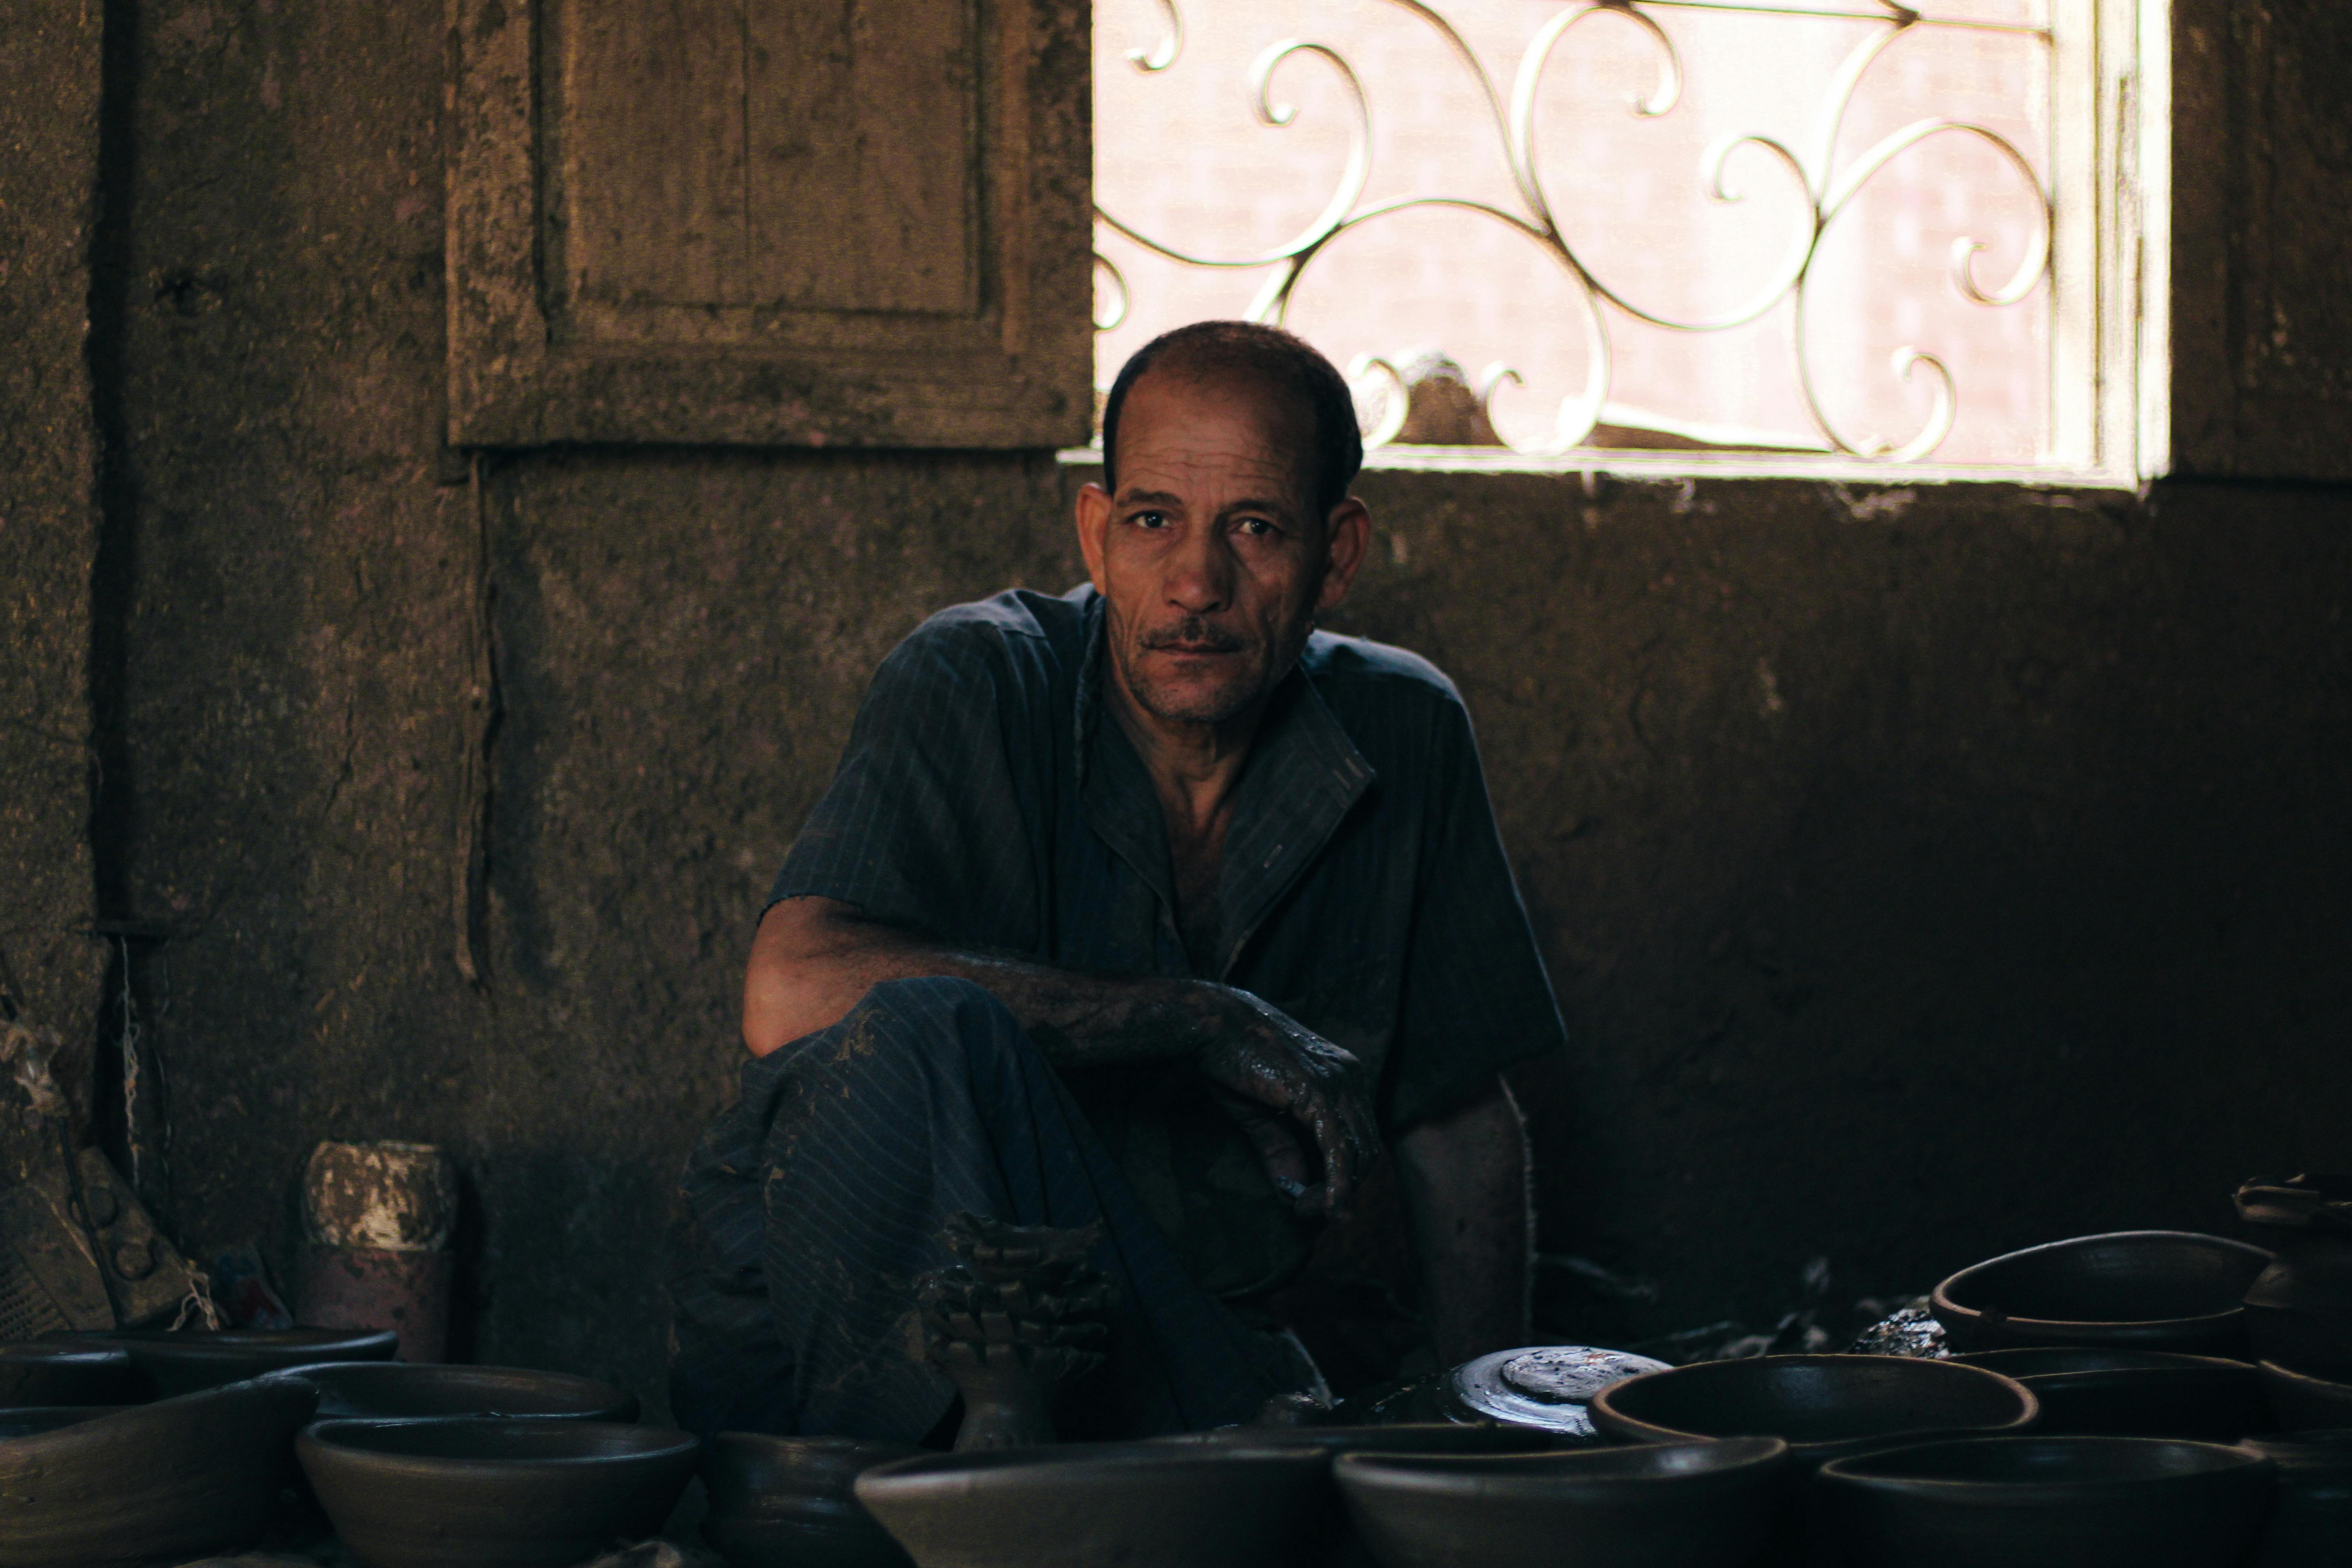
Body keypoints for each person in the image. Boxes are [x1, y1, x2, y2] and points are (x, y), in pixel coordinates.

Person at [669, 321, 1566, 1443]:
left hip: (1186, 1358)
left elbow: (1461, 1123)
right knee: (925, 1028)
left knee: (1292, 1441)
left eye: (1254, 527)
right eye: (1152, 522)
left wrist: (1497, 1430)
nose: (1196, 583)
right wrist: (1190, 1020)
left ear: (1337, 554)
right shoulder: (979, 678)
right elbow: (787, 990)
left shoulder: (1406, 730)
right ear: (1096, 537)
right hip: (871, 1383)